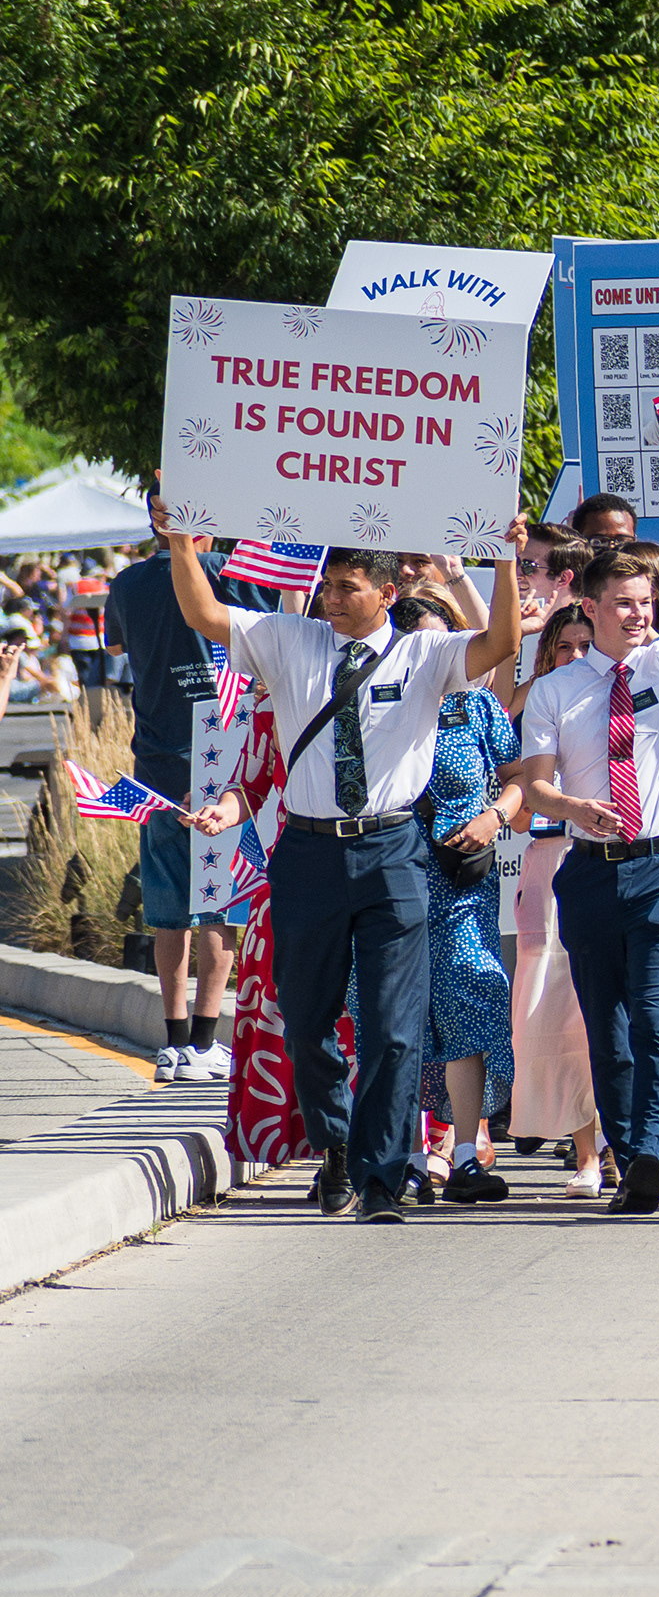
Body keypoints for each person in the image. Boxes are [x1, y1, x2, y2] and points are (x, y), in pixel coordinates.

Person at [161, 523, 526, 1220]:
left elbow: (501, 644)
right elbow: (204, 614)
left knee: (394, 1027)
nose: (330, 597)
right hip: (308, 853)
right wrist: (183, 547)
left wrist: (504, 563)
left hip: (394, 852)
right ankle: (334, 1144)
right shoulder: (288, 639)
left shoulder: (425, 652)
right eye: (327, 585)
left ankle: (381, 1175)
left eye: (346, 587)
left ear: (387, 593)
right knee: (305, 1014)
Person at [511, 546, 659, 1215]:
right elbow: (536, 786)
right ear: (592, 608)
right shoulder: (555, 688)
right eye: (623, 602)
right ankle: (629, 1157)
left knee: (657, 1013)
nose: (638, 612)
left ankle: (653, 1147)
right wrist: (571, 808)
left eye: (645, 600)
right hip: (592, 872)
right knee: (609, 1023)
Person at [108, 499, 270, 1082]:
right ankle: (204, 1041)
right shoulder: (238, 572)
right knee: (219, 905)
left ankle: (174, 1042)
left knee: (169, 908)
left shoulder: (126, 584)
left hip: (156, 757)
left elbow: (117, 652)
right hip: (226, 757)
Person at [416, 602, 522, 1201]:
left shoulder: (478, 706)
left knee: (468, 997)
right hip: (393, 874)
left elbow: (517, 777)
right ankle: (402, 1152)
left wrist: (495, 815)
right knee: (399, 1010)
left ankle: (463, 1153)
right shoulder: (373, 707)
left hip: (463, 879)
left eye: (443, 643)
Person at [504, 604, 608, 1197]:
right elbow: (517, 818)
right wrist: (534, 778)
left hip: (612, 862)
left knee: (611, 1010)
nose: (573, 656)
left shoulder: (621, 706)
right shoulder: (538, 707)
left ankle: (631, 1138)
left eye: (583, 645)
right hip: (548, 870)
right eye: (562, 647)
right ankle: (585, 1151)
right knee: (556, 1016)